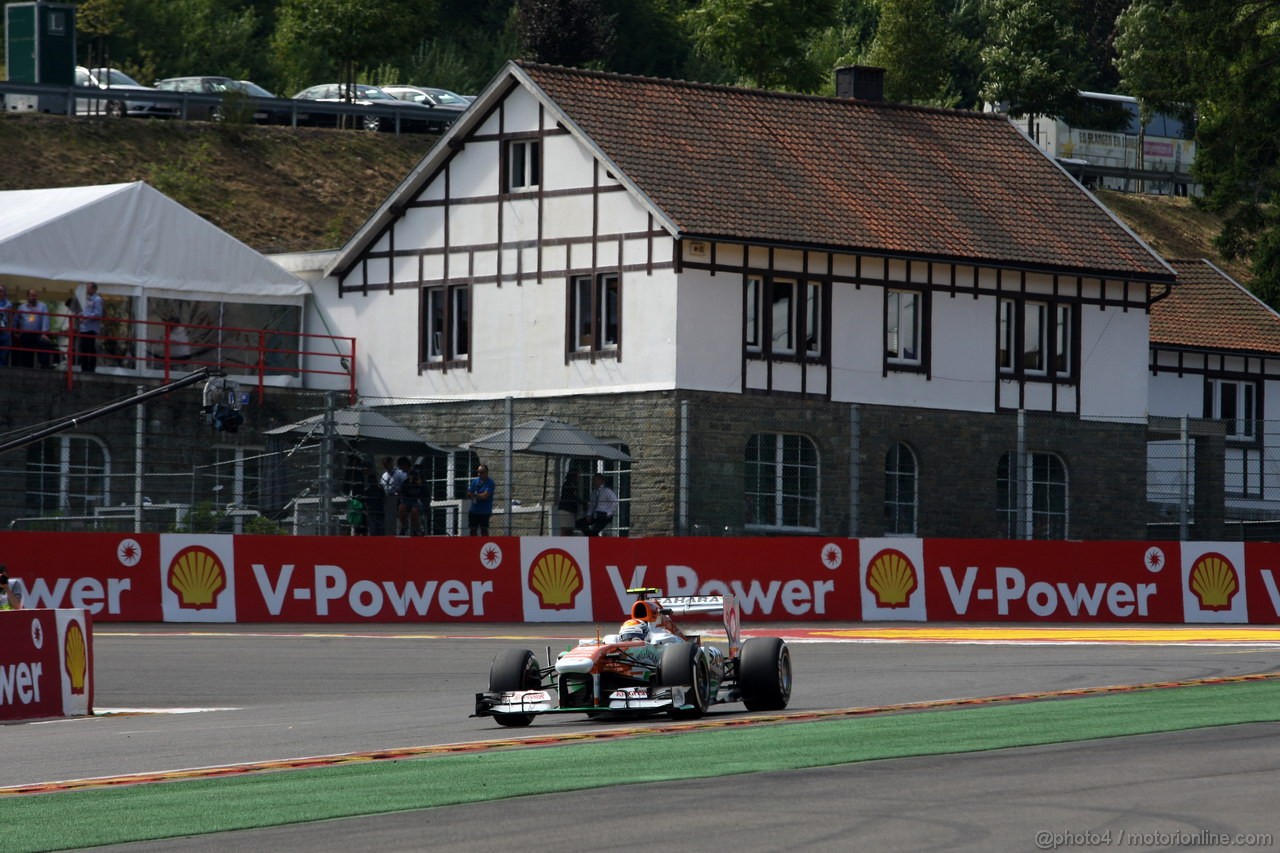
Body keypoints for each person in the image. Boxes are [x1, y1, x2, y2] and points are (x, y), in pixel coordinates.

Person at [12, 289, 55, 368]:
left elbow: (46, 319)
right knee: (27, 351)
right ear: (28, 296)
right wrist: (15, 332)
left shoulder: (42, 306)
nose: (34, 298)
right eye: (32, 296)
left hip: (38, 333)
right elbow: (15, 320)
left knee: (45, 344)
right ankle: (28, 367)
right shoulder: (22, 307)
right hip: (26, 333)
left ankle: (44, 366)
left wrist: (44, 333)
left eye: (35, 296)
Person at [78, 282, 104, 372]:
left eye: (88, 288)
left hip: (91, 328)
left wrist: (86, 317)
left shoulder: (97, 300)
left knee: (90, 348)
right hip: (85, 327)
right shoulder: (88, 299)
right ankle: (84, 367)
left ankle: (91, 368)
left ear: (93, 289)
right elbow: (87, 311)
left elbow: (98, 314)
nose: (87, 290)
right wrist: (81, 315)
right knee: (83, 348)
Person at [398, 465, 429, 536]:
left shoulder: (423, 483)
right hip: (408, 500)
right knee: (401, 508)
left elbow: (426, 495)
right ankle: (404, 526)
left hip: (419, 501)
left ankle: (416, 529)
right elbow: (403, 492)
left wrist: (420, 485)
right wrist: (409, 482)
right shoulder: (406, 482)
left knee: (414, 511)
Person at [466, 463, 495, 536]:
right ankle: (473, 544)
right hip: (474, 510)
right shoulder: (475, 481)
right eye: (478, 472)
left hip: (484, 511)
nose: (479, 474)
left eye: (481, 472)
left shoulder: (490, 483)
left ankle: (484, 544)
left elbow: (485, 496)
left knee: (484, 530)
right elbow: (468, 493)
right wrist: (477, 496)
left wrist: (474, 495)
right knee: (473, 529)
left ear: (486, 473)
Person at [379, 456, 405, 536]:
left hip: (397, 498)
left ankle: (399, 532)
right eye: (385, 465)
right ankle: (389, 533)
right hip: (387, 499)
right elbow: (381, 487)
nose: (386, 466)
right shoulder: (384, 475)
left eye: (388, 464)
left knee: (397, 517)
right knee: (389, 518)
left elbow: (403, 486)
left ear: (391, 463)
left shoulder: (399, 474)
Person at [0, 284, 12, 367]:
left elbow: (10, 317)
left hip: (4, 330)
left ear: (4, 293)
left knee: (3, 352)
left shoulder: (8, 304)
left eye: (0, 291)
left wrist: (9, 330)